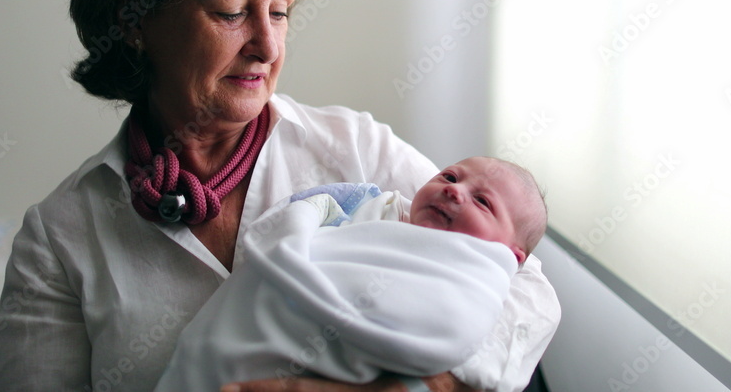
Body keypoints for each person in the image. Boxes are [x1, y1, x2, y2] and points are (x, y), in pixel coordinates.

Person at [0, 0, 560, 391]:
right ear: (135, 20)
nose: (267, 45)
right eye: (232, 11)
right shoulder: (60, 238)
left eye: (281, 9)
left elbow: (526, 288)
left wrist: (424, 388)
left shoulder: (356, 150)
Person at [155, 156, 553, 390]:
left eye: (482, 201)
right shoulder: (370, 207)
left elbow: (524, 312)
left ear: (509, 255)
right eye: (449, 176)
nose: (454, 190)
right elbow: (303, 214)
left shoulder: (482, 275)